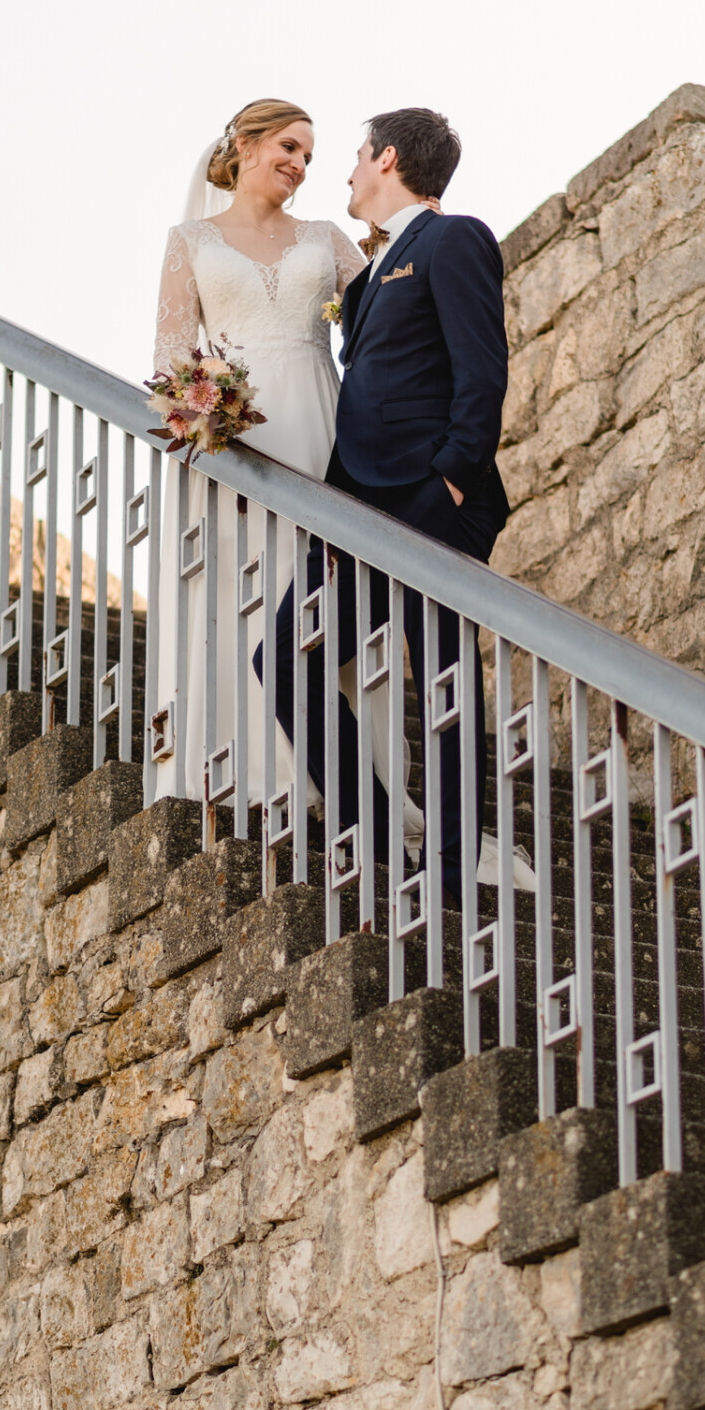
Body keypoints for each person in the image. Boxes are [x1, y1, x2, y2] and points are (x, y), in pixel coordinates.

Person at [257, 107, 511, 904]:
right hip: (357, 512)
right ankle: (375, 830)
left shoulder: (454, 238)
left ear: (389, 158)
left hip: (430, 502)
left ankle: (447, 877)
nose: (347, 169)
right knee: (285, 658)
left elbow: (482, 373)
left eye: (358, 154)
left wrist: (451, 484)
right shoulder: (367, 278)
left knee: (441, 679)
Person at [151, 98, 371, 809]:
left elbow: (382, 325)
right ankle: (241, 771)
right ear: (243, 146)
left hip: (320, 425)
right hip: (234, 441)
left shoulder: (327, 237)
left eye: (309, 155)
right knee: (241, 589)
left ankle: (323, 779)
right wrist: (202, 412)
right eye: (287, 145)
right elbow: (169, 359)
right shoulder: (190, 240)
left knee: (314, 594)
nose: (300, 164)